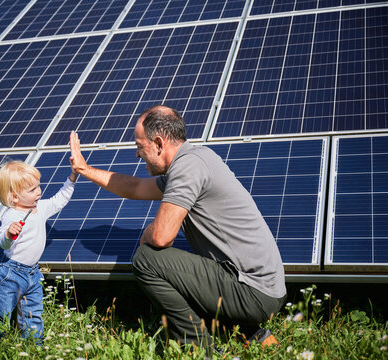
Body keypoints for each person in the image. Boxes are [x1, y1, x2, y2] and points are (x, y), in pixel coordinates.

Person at [68, 105, 286, 352]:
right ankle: (250, 331)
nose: (138, 155)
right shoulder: (194, 159)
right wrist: (84, 170)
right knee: (180, 264)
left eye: (140, 146)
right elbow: (135, 187)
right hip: (260, 286)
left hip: (255, 292)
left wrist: (146, 234)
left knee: (147, 259)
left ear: (159, 143)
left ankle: (199, 349)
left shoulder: (187, 168)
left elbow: (161, 237)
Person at [0, 160, 77, 343]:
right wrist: (10, 234)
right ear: (15, 197)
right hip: (11, 273)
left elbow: (59, 201)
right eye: (32, 190)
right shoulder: (11, 216)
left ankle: (34, 345)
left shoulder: (39, 208)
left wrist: (72, 177)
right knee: (1, 312)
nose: (39, 192)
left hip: (33, 273)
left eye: (38, 186)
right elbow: (3, 244)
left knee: (33, 313)